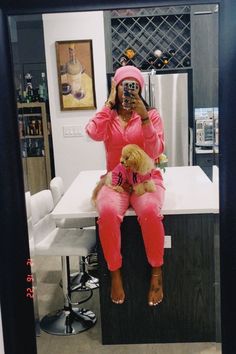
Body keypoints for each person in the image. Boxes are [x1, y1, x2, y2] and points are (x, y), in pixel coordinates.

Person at [86, 65, 165, 306]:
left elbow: (156, 151)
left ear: (140, 89)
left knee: (150, 212)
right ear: (116, 87)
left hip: (146, 180)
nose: (127, 90)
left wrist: (143, 119)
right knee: (107, 213)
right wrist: (108, 105)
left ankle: (156, 273)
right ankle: (114, 273)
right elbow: (92, 132)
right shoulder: (108, 117)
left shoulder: (151, 115)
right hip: (116, 181)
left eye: (133, 85)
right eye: (123, 85)